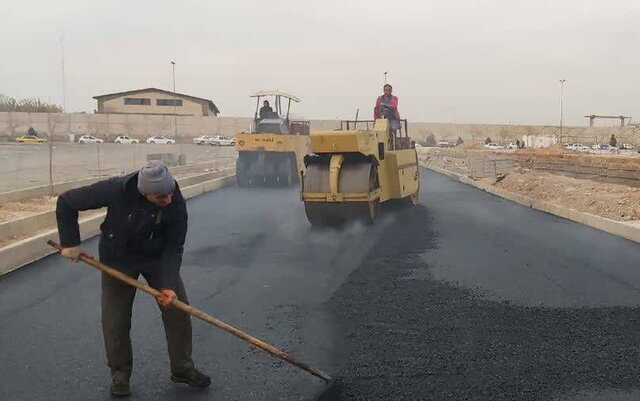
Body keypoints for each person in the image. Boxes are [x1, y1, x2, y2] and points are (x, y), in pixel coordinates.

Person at [56, 160, 210, 398]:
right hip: (117, 258)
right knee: (115, 320)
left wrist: (168, 284)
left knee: (178, 310)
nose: (168, 201)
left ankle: (182, 368)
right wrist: (70, 243)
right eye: (161, 198)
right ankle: (120, 375)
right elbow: (66, 202)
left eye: (170, 194)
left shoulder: (174, 199)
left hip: (156, 257)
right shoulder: (116, 189)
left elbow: (174, 245)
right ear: (144, 192)